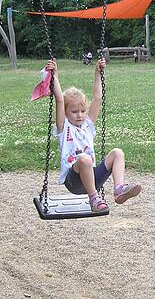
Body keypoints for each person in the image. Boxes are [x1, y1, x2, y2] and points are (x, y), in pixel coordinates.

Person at [44, 58, 141, 212]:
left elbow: (97, 98)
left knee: (117, 153)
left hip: (93, 178)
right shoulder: (64, 127)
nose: (80, 115)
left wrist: (98, 72)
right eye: (74, 112)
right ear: (66, 113)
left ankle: (119, 189)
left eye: (82, 111)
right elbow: (60, 100)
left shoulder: (88, 126)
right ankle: (94, 199)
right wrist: (54, 75)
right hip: (74, 181)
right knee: (84, 158)